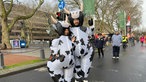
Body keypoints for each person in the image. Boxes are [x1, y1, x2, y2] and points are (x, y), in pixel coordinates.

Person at [64, 2, 94, 82]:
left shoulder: (84, 29)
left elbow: (91, 33)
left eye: (77, 19)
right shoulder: (69, 30)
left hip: (86, 51)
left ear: (80, 19)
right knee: (76, 67)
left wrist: (91, 26)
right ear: (71, 20)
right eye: (74, 20)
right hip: (74, 52)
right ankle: (77, 78)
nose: (76, 21)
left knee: (86, 66)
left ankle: (84, 78)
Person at [47, 16, 75, 82]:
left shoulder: (69, 38)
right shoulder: (57, 39)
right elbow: (53, 47)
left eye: (67, 30)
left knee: (68, 79)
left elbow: (71, 48)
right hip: (61, 61)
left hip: (69, 62)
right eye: (65, 30)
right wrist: (55, 54)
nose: (67, 31)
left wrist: (72, 42)